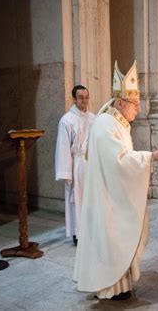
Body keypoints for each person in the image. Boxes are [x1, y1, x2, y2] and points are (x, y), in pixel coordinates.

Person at [73, 61, 158, 301]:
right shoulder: (106, 124)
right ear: (119, 103)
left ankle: (121, 285)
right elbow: (119, 162)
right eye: (135, 104)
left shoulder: (117, 122)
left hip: (112, 194)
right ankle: (110, 286)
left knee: (117, 240)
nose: (138, 109)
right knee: (112, 240)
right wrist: (150, 157)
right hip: (107, 197)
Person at [55, 85, 95, 246]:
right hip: (77, 165)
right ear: (74, 99)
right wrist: (66, 173)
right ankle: (78, 234)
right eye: (81, 97)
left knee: (92, 198)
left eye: (86, 97)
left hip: (92, 163)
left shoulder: (94, 118)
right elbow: (63, 147)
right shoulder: (67, 120)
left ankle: (92, 230)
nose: (84, 100)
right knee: (77, 199)